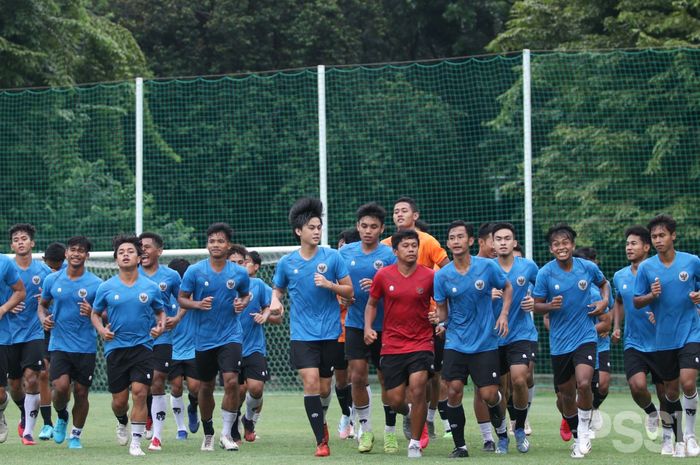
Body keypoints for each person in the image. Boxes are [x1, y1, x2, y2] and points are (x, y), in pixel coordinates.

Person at [270, 197, 353, 457]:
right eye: (312, 227)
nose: (317, 231)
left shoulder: (333, 257)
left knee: (325, 387)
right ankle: (321, 441)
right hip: (302, 334)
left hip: (330, 333)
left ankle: (323, 420)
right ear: (299, 231)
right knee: (311, 382)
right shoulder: (287, 263)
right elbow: (278, 290)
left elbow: (350, 292)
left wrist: (331, 286)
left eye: (319, 227)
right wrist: (275, 303)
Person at [430, 220, 512, 458]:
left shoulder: (486, 267)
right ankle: (460, 446)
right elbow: (443, 312)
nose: (456, 241)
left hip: (485, 342)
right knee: (453, 390)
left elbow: (507, 288)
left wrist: (504, 315)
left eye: (460, 237)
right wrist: (440, 321)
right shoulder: (442, 276)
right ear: (448, 243)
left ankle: (502, 432)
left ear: (470, 240)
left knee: (488, 395)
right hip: (456, 342)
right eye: (452, 238)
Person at [532, 224, 609, 458]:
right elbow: (535, 305)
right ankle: (577, 433)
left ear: (572, 245)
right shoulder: (545, 273)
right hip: (559, 343)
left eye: (565, 242)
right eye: (556, 244)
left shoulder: (587, 268)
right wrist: (549, 306)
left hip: (585, 337)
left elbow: (604, 284)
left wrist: (604, 303)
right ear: (551, 249)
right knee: (565, 395)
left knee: (584, 384)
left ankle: (584, 432)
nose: (561, 247)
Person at [178, 223, 251, 452]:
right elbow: (182, 299)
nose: (215, 245)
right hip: (203, 339)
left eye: (220, 241)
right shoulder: (195, 271)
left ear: (228, 245)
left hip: (231, 335)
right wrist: (197, 304)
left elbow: (245, 295)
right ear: (207, 245)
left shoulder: (238, 272)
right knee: (205, 387)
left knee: (231, 381)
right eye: (212, 241)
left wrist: (242, 303)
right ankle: (208, 432)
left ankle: (227, 434)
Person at [381, 197, 448, 446]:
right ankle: (411, 413)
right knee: (396, 388)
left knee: (429, 377)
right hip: (394, 325)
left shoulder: (428, 241)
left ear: (415, 215)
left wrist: (439, 308)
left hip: (427, 320)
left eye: (404, 211)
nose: (399, 214)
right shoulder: (386, 245)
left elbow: (446, 270)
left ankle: (427, 418)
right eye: (395, 211)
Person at [91, 235, 166, 456]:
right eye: (121, 252)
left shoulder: (151, 287)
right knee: (119, 401)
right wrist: (102, 330)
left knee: (140, 392)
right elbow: (95, 314)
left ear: (139, 258)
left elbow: (160, 311)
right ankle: (122, 420)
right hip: (116, 348)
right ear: (116, 259)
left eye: (130, 251)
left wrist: (159, 327)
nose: (125, 254)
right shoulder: (106, 287)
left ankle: (136, 442)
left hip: (143, 346)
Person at [634, 214, 700, 458]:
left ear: (673, 236)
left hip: (691, 332)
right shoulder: (647, 268)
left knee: (688, 382)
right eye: (654, 236)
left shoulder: (692, 261)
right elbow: (637, 301)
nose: (658, 240)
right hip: (663, 338)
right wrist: (651, 295)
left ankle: (691, 436)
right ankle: (675, 437)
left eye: (662, 235)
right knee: (671, 392)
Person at [365, 229, 435, 458]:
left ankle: (414, 443)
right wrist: (368, 327)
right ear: (395, 251)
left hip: (422, 342)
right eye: (406, 246)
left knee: (418, 387)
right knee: (395, 400)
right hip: (392, 344)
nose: (411, 249)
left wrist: (440, 318)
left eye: (414, 245)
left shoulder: (429, 276)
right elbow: (372, 303)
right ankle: (410, 414)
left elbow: (443, 302)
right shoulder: (383, 276)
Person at [339, 203, 396, 453]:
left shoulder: (389, 256)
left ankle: (390, 432)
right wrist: (341, 297)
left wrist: (378, 285)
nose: (368, 230)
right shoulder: (345, 253)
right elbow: (336, 284)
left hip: (386, 326)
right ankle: (365, 430)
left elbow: (398, 289)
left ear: (382, 229)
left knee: (387, 380)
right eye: (364, 226)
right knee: (357, 376)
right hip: (354, 325)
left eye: (374, 226)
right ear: (357, 227)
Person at [37, 236, 102, 449]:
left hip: (85, 347)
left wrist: (93, 311)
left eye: (81, 250)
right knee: (61, 387)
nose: (76, 253)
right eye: (73, 250)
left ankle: (75, 435)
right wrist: (43, 318)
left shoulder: (96, 284)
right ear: (66, 253)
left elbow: (106, 314)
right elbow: (42, 305)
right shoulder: (52, 280)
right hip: (59, 344)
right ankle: (62, 415)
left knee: (82, 393)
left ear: (87, 256)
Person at [611, 226, 668, 446]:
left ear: (646, 247)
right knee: (637, 386)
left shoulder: (660, 270)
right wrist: (617, 325)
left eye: (633, 243)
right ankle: (651, 413)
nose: (629, 247)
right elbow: (618, 301)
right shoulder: (619, 276)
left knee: (666, 394)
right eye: (627, 244)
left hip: (662, 341)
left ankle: (669, 436)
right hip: (633, 342)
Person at [492, 223, 538, 452]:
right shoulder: (485, 268)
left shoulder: (528, 267)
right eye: (498, 238)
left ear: (514, 242)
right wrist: (486, 295)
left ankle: (519, 428)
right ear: (492, 243)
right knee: (499, 389)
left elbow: (543, 291)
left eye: (507, 238)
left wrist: (535, 303)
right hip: (492, 337)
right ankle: (502, 435)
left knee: (520, 378)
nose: (502, 242)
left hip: (520, 333)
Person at [228, 247, 280, 443]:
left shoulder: (257, 285)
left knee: (256, 388)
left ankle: (248, 419)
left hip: (254, 347)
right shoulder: (222, 285)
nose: (236, 267)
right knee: (236, 390)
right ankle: (232, 427)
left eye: (240, 262)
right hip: (230, 347)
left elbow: (276, 310)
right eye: (231, 263)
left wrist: (266, 314)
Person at [7, 223, 52, 445]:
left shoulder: (44, 272)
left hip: (34, 332)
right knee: (14, 385)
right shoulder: (6, 268)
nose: (20, 242)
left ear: (32, 243)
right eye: (16, 239)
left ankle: (28, 432)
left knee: (32, 377)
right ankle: (23, 411)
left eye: (24, 238)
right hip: (8, 333)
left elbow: (53, 299)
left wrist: (46, 303)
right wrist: (8, 304)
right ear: (12, 245)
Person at [137, 232, 182, 450]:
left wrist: (177, 317)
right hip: (135, 339)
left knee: (157, 380)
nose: (143, 250)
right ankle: (141, 416)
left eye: (147, 246)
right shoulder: (130, 275)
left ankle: (157, 436)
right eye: (140, 247)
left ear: (159, 250)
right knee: (138, 386)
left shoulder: (171, 276)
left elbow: (184, 299)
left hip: (162, 337)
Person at [166, 258, 201, 439]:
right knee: (176, 386)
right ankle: (181, 428)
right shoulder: (166, 296)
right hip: (172, 348)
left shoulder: (194, 296)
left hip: (193, 348)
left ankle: (193, 406)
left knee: (195, 387)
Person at [37, 242, 67, 440]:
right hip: (44, 330)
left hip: (65, 333)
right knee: (42, 374)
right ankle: (47, 424)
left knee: (61, 384)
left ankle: (61, 416)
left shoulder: (71, 273)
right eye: (50, 266)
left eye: (57, 266)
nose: (53, 269)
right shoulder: (41, 273)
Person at [334, 228, 360, 442]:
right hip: (336, 332)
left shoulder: (364, 268)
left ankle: (359, 421)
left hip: (357, 329)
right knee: (341, 381)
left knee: (356, 377)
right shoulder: (333, 269)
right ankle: (345, 414)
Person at [0, 251, 27, 444]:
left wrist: (3, 308)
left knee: (0, 393)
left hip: (1, 336)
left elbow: (20, 291)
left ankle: (1, 409)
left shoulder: (4, 263)